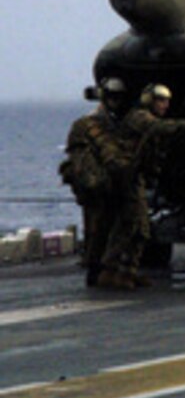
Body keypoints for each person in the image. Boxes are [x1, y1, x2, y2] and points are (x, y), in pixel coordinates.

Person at [97, 83, 185, 290]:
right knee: (138, 229)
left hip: (132, 177)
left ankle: (122, 272)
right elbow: (160, 128)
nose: (165, 105)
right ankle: (113, 271)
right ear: (149, 100)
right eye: (161, 100)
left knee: (130, 227)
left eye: (167, 100)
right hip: (127, 178)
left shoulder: (140, 118)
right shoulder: (140, 117)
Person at [59, 77, 130, 287]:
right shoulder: (91, 125)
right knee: (99, 229)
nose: (116, 102)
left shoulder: (109, 122)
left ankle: (101, 269)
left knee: (103, 228)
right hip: (96, 184)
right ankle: (96, 270)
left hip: (101, 184)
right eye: (113, 97)